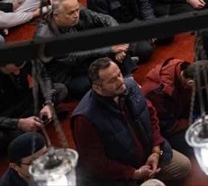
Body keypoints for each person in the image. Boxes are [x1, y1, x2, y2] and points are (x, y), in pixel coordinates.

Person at [70, 58, 193, 186]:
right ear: (98, 88)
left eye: (119, 74)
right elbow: (96, 163)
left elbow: (152, 116)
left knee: (184, 166)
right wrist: (134, 173)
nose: (120, 81)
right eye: (112, 80)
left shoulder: (131, 86)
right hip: (119, 175)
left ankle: (147, 176)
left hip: (150, 154)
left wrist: (156, 152)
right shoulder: (84, 119)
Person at [37, 0, 148, 99]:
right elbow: (73, 57)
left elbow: (106, 19)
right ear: (56, 15)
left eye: (77, 10)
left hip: (82, 56)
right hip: (69, 75)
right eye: (71, 13)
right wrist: (111, 49)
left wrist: (117, 41)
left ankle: (127, 76)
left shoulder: (74, 10)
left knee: (109, 43)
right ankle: (123, 76)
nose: (76, 15)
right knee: (103, 80)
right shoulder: (46, 37)